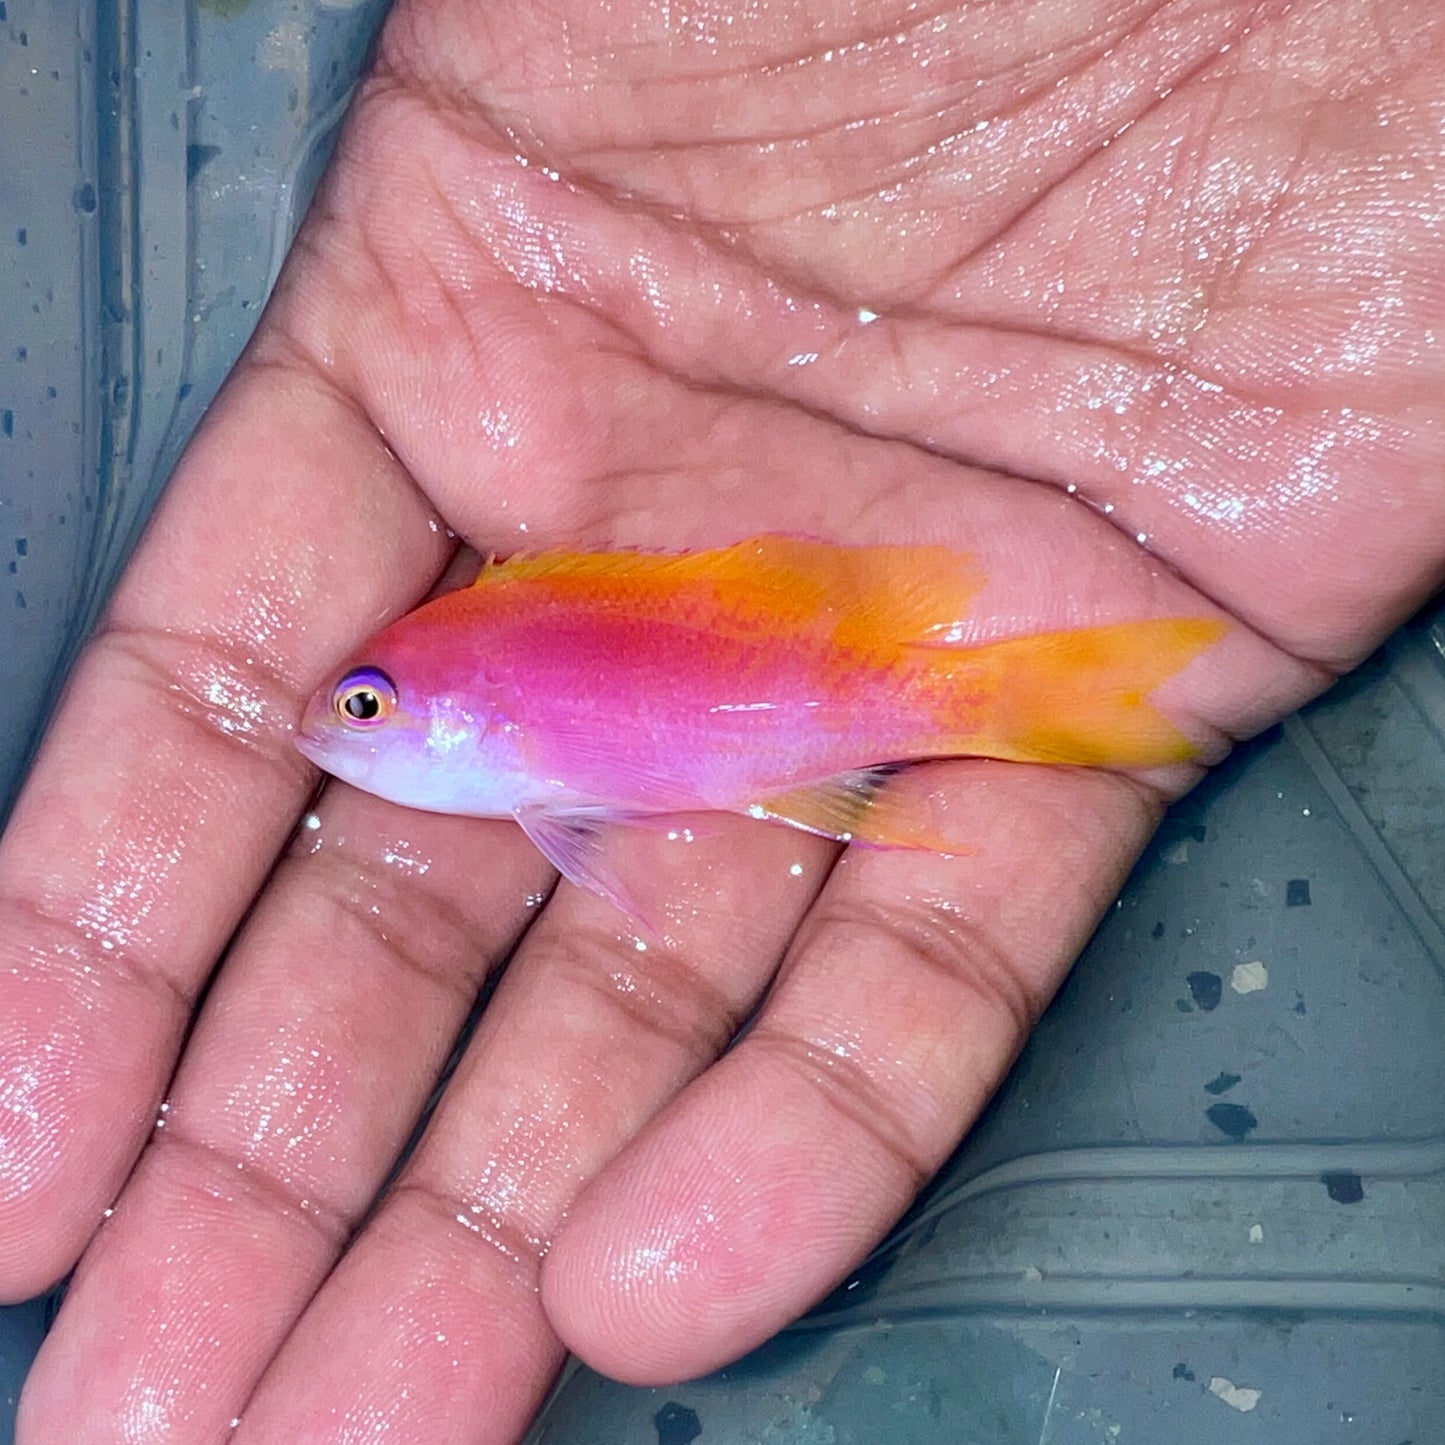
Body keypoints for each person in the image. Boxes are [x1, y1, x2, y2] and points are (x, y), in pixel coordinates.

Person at [3, 0, 1442, 1438]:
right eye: (359, 701)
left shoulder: (499, 694)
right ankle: (1052, 704)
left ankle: (1041, 706)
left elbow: (585, 789)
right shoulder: (501, 696)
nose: (339, 719)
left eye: (369, 704)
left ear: (455, 708)